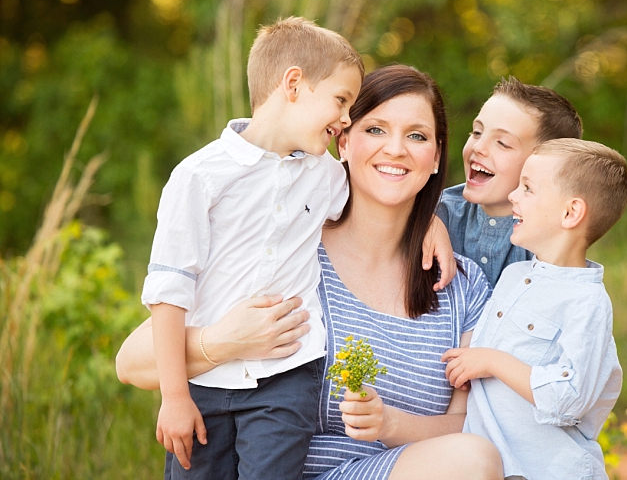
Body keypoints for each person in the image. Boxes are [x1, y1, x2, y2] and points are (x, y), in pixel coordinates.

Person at [116, 65, 503, 480]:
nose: (396, 149)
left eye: (417, 136)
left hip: (393, 469)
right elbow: (131, 364)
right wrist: (226, 341)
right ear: (343, 142)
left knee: (472, 459)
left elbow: (472, 426)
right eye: (375, 129)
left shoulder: (460, 285)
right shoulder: (293, 248)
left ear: (436, 157)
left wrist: (391, 425)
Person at [442, 138, 627, 480]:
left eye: (528, 188)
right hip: (489, 466)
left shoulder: (586, 302)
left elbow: (570, 398)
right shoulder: (515, 275)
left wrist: (492, 361)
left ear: (570, 213)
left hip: (549, 470)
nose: (513, 195)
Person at [436, 77, 582, 286]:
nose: (478, 147)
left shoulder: (549, 242)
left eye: (503, 143)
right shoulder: (437, 214)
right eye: (477, 132)